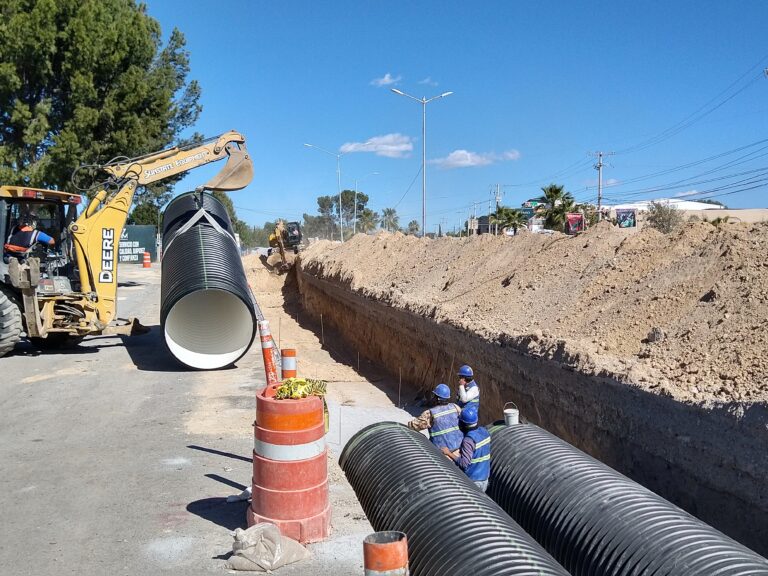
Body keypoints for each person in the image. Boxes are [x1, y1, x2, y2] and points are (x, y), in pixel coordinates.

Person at [442, 404, 491, 492]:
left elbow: (464, 464)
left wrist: (448, 453)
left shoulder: (468, 440)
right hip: (484, 478)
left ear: (462, 424)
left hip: (473, 481)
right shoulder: (484, 432)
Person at [407, 384, 463, 453]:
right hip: (459, 450)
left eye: (434, 396)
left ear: (437, 398)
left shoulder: (430, 413)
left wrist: (408, 425)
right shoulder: (455, 407)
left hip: (440, 454)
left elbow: (413, 426)